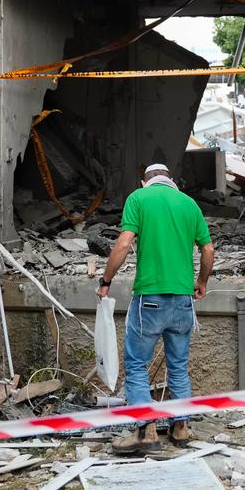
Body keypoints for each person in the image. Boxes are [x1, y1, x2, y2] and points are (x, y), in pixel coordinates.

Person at [97, 162, 214, 451]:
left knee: (137, 365)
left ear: (143, 182)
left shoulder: (139, 199)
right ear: (170, 181)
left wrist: (105, 280)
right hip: (183, 300)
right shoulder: (189, 204)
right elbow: (208, 249)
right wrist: (202, 282)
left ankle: (146, 431)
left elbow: (124, 244)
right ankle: (180, 427)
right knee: (178, 366)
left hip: (148, 299)